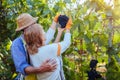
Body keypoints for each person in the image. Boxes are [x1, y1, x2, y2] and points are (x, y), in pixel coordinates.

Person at [11, 13, 60, 79]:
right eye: (34, 24)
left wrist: (55, 21)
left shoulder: (36, 36)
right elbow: (23, 67)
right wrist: (40, 69)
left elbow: (48, 36)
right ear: (27, 28)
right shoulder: (17, 44)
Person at [23, 15, 72, 79]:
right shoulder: (49, 49)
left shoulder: (31, 51)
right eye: (43, 32)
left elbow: (50, 40)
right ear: (39, 37)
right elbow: (66, 43)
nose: (44, 33)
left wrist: (56, 25)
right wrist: (68, 29)